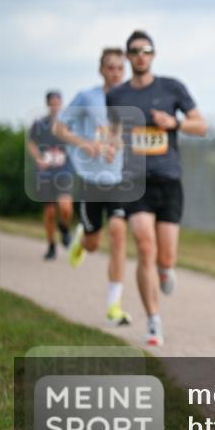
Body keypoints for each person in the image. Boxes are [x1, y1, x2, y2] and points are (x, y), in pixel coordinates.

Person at [107, 30, 207, 346]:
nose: (140, 55)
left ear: (153, 55)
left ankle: (166, 270)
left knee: (165, 256)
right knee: (144, 247)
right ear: (127, 56)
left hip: (168, 180)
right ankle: (153, 321)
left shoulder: (171, 88)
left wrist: (173, 123)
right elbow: (111, 133)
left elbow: (201, 125)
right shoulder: (117, 96)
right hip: (135, 182)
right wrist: (108, 146)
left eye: (146, 50)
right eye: (134, 51)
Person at [53, 47, 131, 326]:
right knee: (94, 243)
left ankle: (114, 307)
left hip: (121, 180)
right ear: (101, 70)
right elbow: (60, 129)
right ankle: (81, 239)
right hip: (92, 181)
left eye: (120, 68)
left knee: (119, 234)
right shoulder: (88, 97)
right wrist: (85, 144)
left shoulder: (131, 98)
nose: (116, 73)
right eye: (110, 67)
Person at [27, 90, 74, 260]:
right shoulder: (39, 124)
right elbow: (31, 143)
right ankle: (51, 246)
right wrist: (39, 158)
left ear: (61, 103)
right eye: (52, 102)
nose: (55, 105)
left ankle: (64, 228)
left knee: (66, 207)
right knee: (49, 212)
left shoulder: (67, 123)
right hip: (46, 172)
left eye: (58, 101)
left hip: (64, 170)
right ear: (48, 104)